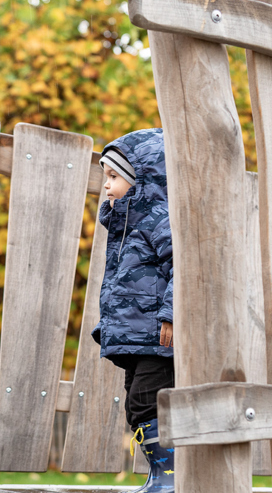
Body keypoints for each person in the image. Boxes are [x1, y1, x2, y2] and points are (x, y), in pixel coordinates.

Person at [91, 128, 175, 491]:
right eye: (105, 177)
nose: (106, 186)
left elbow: (184, 266)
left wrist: (172, 315)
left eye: (114, 176)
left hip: (158, 336)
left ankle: (171, 477)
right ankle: (161, 474)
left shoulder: (159, 220)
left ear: (145, 179)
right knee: (136, 405)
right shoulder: (127, 225)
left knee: (146, 402)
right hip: (138, 338)